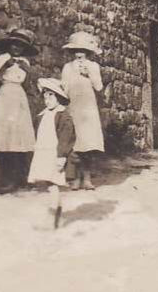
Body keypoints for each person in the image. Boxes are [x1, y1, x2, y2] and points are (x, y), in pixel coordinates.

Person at [0, 27, 37, 191]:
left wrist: (26, 71)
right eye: (14, 44)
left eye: (20, 46)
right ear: (9, 45)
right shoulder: (2, 58)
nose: (16, 48)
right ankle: (6, 179)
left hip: (19, 98)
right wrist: (4, 67)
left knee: (20, 135)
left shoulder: (25, 62)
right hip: (5, 96)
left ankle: (22, 177)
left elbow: (28, 85)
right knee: (6, 134)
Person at [29, 77, 77, 229]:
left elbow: (66, 138)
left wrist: (61, 156)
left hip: (55, 155)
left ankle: (52, 219)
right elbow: (38, 134)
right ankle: (56, 212)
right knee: (48, 184)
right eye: (45, 96)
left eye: (51, 96)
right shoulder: (41, 116)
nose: (47, 99)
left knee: (53, 184)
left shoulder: (63, 116)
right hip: (43, 154)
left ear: (59, 97)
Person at [59, 31, 105, 190]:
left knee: (88, 144)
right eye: (77, 50)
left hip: (88, 109)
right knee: (75, 144)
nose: (80, 54)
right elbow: (64, 87)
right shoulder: (67, 67)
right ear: (72, 52)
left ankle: (87, 177)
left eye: (83, 51)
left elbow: (99, 87)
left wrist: (89, 74)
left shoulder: (93, 66)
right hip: (74, 107)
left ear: (89, 53)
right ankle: (76, 178)